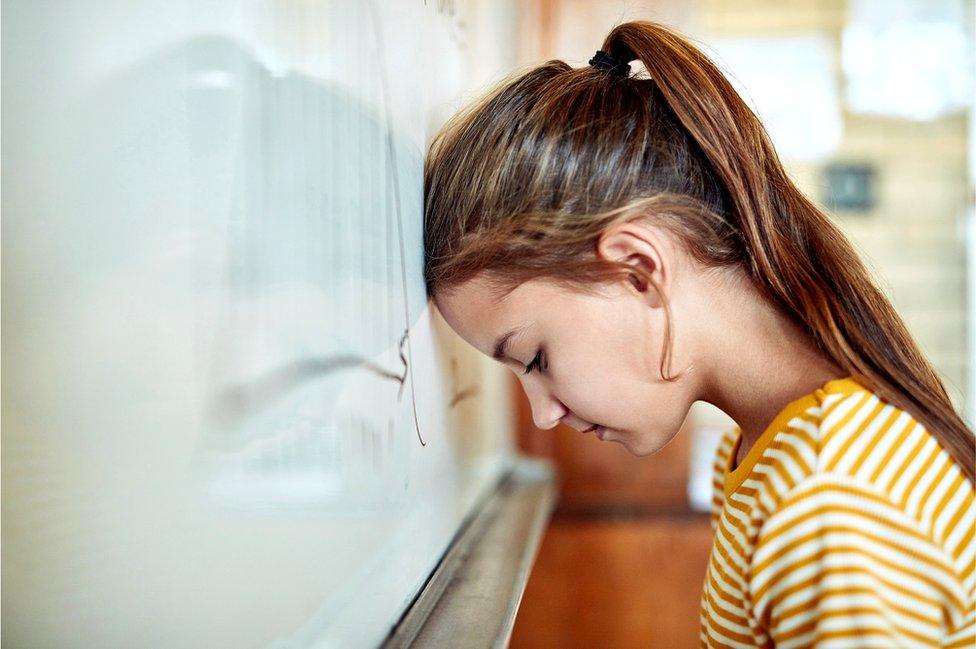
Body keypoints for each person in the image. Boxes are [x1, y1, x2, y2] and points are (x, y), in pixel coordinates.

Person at [423, 19, 975, 648]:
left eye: (535, 357)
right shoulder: (764, 457)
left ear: (639, 272)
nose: (544, 414)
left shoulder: (830, 500)